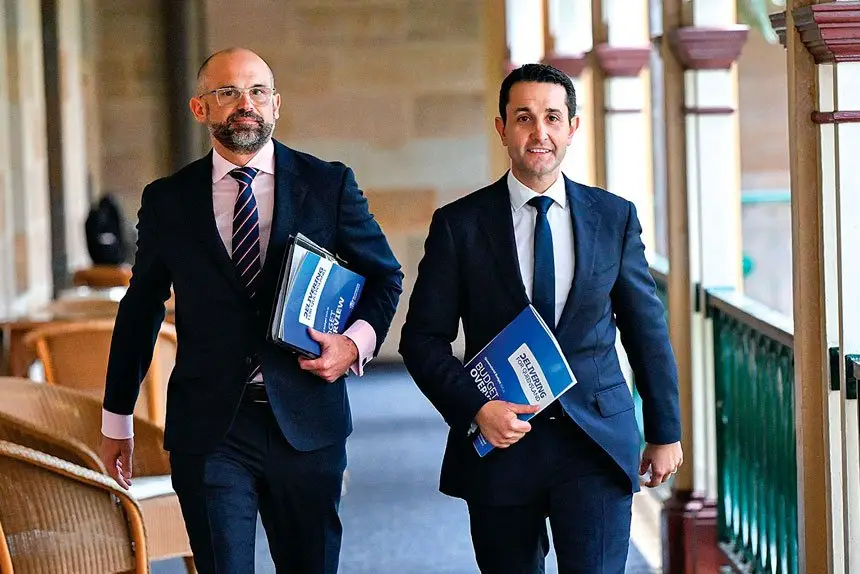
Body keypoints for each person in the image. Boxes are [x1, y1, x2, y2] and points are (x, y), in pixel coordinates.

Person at [100, 47, 402, 573]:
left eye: (258, 91)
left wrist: (354, 343)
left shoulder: (328, 185)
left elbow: (385, 276)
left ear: (276, 105)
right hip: (213, 429)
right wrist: (117, 418)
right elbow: (141, 308)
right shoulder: (168, 200)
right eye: (228, 92)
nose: (246, 104)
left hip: (308, 420)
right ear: (201, 109)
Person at [399, 63, 683, 573]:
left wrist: (664, 431)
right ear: (502, 128)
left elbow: (646, 329)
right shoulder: (459, 226)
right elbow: (422, 339)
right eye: (524, 117)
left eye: (552, 117)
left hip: (594, 441)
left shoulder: (613, 217)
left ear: (572, 127)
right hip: (501, 443)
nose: (539, 132)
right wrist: (475, 409)